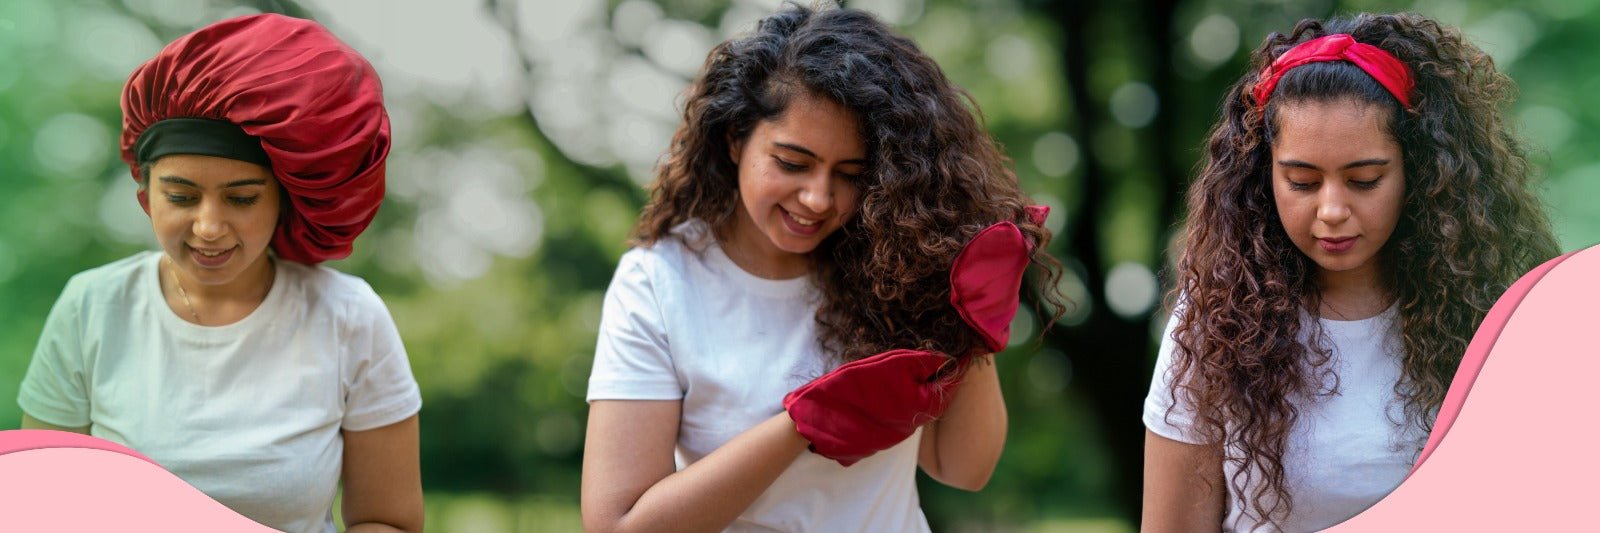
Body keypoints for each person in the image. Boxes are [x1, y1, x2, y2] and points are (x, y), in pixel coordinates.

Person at [581, 4, 1064, 531]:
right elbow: (618, 524)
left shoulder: (901, 262)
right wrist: (802, 426)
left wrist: (973, 329)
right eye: (792, 163)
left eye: (851, 174)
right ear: (735, 138)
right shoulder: (659, 280)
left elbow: (964, 468)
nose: (817, 198)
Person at [1141, 12, 1560, 532]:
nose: (1332, 209)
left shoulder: (1491, 313)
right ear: (1262, 175)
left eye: (1363, 180)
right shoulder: (1213, 322)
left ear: (1419, 171)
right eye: (1302, 182)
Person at [16, 14, 423, 533]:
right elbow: (41, 510)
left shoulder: (348, 317)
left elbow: (388, 521)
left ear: (284, 202)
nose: (208, 227)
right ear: (145, 199)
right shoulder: (92, 307)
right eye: (181, 197)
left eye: (242, 198)